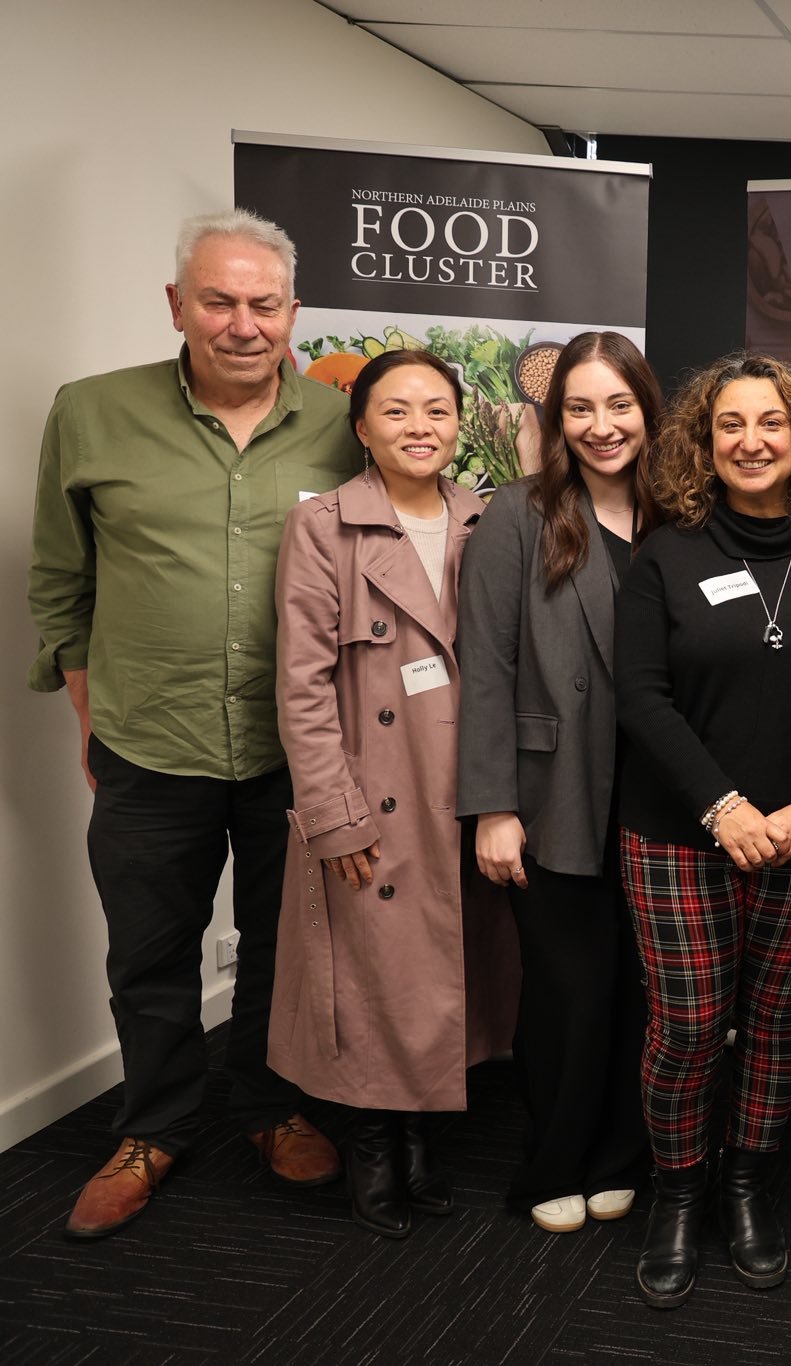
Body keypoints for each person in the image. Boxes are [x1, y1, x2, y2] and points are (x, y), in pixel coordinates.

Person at [28, 210, 356, 1239]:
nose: (242, 324)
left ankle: (267, 1105)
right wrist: (88, 707)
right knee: (150, 952)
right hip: (147, 741)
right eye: (218, 300)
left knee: (283, 948)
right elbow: (59, 579)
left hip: (293, 748)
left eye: (264, 303)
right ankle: (155, 1127)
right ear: (178, 306)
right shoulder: (91, 413)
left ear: (293, 311)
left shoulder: (342, 427)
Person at [615, 352, 791, 1308]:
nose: (751, 441)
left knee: (779, 1026)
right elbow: (642, 697)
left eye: (771, 423)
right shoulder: (666, 554)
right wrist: (722, 806)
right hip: (678, 832)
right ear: (704, 440)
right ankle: (680, 1193)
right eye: (730, 425)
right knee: (692, 1024)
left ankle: (746, 1187)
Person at [269, 348, 518, 1240]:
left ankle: (421, 1145)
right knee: (378, 972)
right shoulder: (325, 528)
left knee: (439, 972)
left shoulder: (487, 521)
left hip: (465, 785)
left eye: (438, 411)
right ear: (362, 426)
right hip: (375, 794)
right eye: (398, 411)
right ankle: (374, 1145)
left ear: (461, 422)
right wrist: (332, 815)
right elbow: (300, 686)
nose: (421, 428)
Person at [457, 332, 663, 1235]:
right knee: (568, 989)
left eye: (619, 404)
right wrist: (494, 806)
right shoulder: (520, 513)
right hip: (555, 792)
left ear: (648, 410)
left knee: (647, 991)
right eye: (580, 407)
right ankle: (553, 1163)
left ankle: (622, 1154)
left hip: (663, 796)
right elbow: (487, 666)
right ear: (555, 417)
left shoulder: (684, 515)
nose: (601, 425)